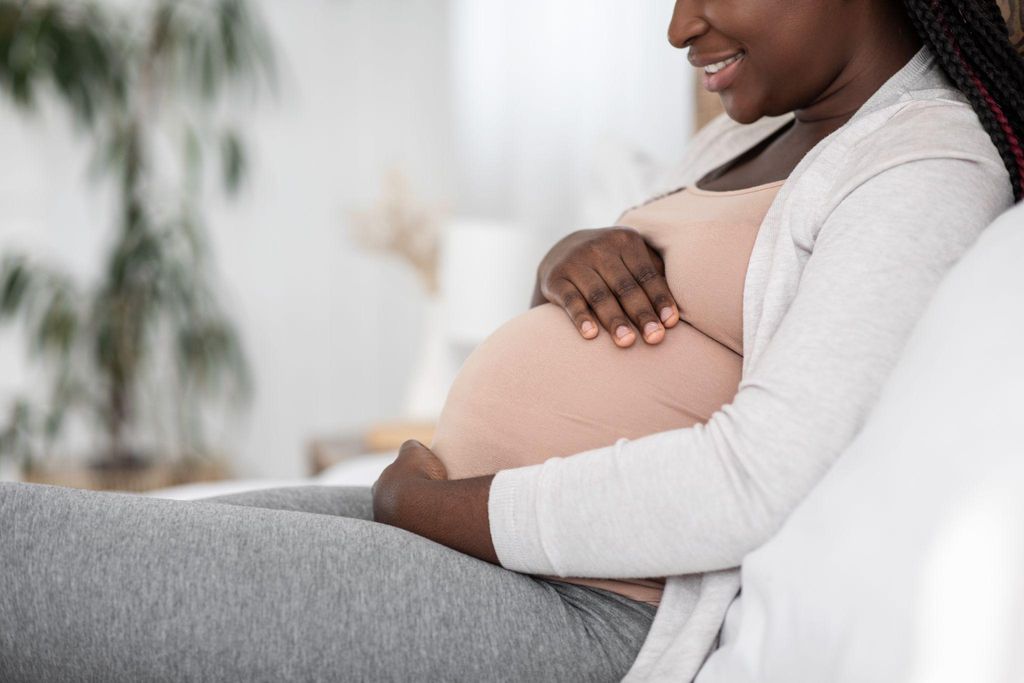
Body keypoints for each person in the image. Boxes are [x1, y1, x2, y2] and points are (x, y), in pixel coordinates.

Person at [2, 1, 1022, 681]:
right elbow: (667, 307)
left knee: (27, 559)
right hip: (476, 540)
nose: (677, 25)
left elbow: (759, 478)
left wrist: (444, 505)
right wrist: (570, 256)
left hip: (581, 604)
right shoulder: (756, 130)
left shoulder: (920, 169)